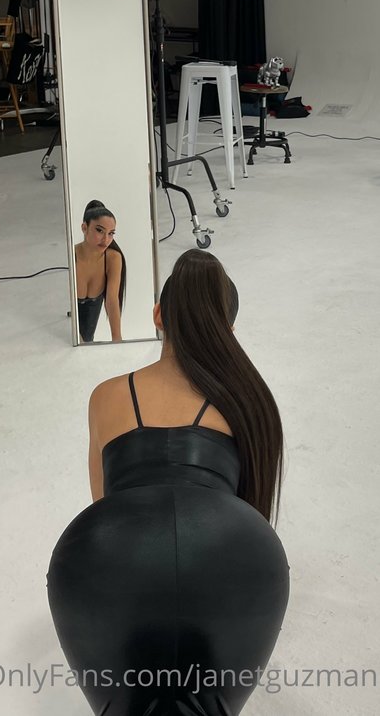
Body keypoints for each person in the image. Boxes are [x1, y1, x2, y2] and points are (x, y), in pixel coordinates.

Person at [47, 249, 289, 715]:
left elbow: (104, 503)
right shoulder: (251, 401)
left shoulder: (106, 396)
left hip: (112, 554)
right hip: (231, 552)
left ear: (158, 316)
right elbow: (251, 513)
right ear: (229, 331)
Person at [75, 200, 126, 342]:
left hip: (86, 342)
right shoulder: (71, 255)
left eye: (111, 233)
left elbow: (112, 300)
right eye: (99, 230)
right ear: (84, 228)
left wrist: (117, 339)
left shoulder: (113, 258)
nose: (106, 239)